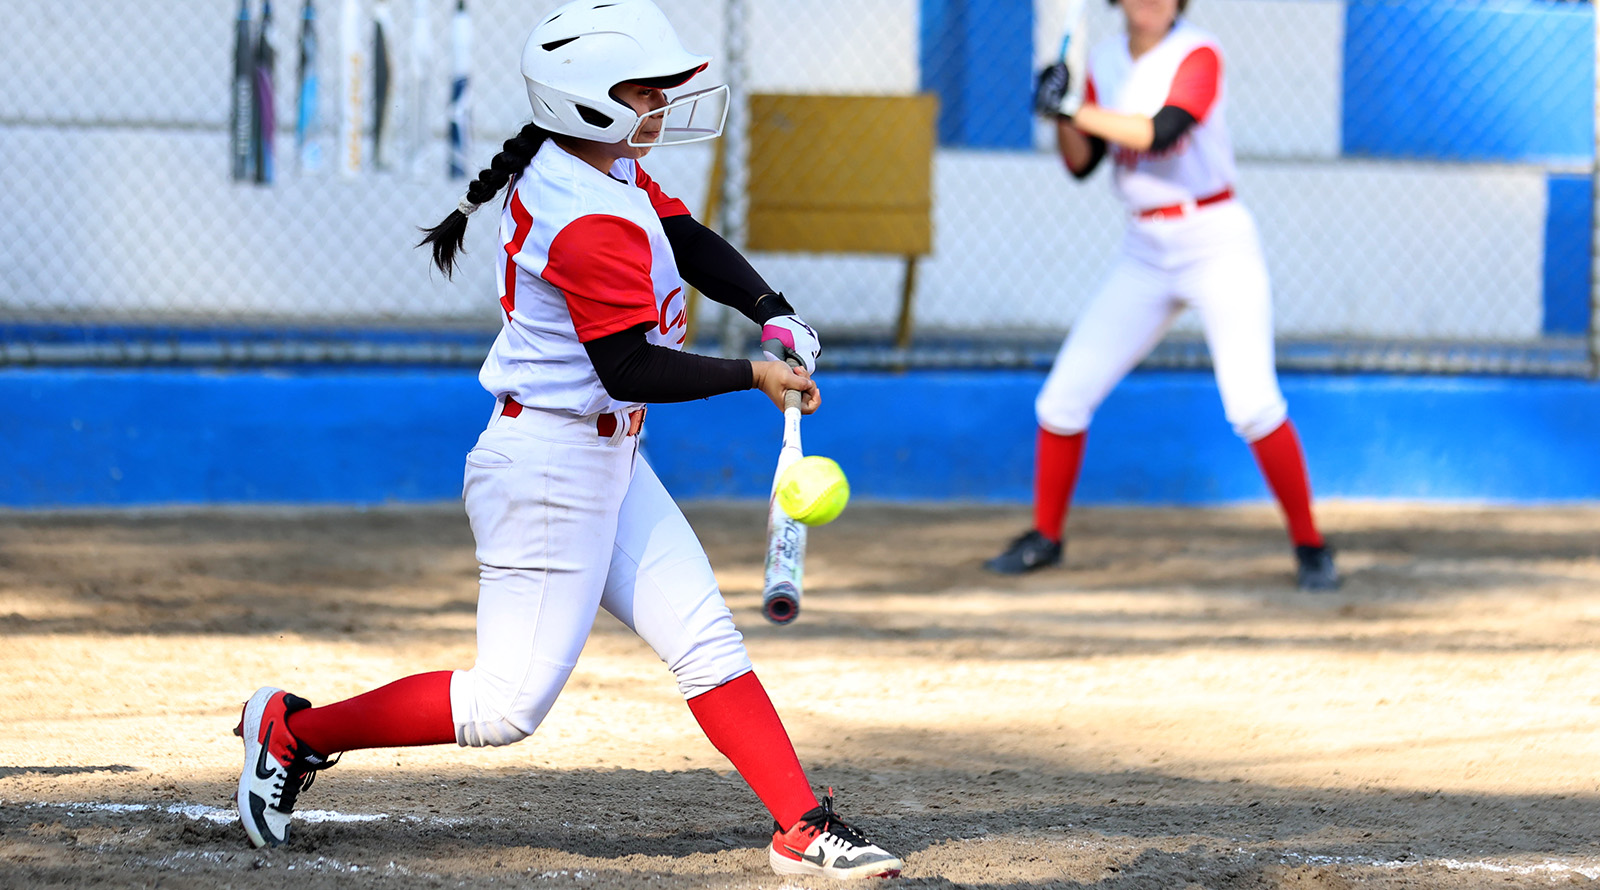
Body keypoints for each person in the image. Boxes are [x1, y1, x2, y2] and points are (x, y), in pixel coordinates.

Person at [231, 1, 902, 879]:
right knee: (503, 708)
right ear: (588, 100)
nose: (662, 104)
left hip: (607, 455)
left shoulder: (601, 167)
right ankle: (292, 731)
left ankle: (802, 826)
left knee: (705, 642)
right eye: (645, 91)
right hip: (547, 469)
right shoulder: (582, 213)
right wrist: (752, 373)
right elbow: (628, 365)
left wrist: (771, 310)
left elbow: (684, 237)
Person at [985, 0, 1339, 591]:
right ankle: (1046, 537)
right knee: (1061, 401)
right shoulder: (1102, 58)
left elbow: (1161, 131)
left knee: (1253, 405)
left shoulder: (1198, 51)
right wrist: (1058, 117)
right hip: (1145, 248)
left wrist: (1077, 108)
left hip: (1215, 239)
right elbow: (1082, 164)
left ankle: (1311, 544)